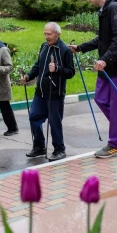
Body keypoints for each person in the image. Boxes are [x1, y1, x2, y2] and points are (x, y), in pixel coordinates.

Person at [68, 0, 117, 159]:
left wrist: (105, 59)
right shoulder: (104, 10)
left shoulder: (114, 8)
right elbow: (103, 39)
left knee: (116, 106)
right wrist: (81, 47)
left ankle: (114, 145)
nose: (88, 0)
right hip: (108, 66)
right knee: (100, 98)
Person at [21, 22, 75, 161]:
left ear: (58, 34)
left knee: (54, 122)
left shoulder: (64, 50)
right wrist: (28, 76)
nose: (46, 36)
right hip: (41, 91)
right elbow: (38, 66)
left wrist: (57, 69)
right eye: (45, 33)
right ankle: (39, 146)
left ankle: (59, 149)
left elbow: (70, 72)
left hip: (55, 92)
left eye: (49, 34)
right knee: (34, 117)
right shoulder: (44, 46)